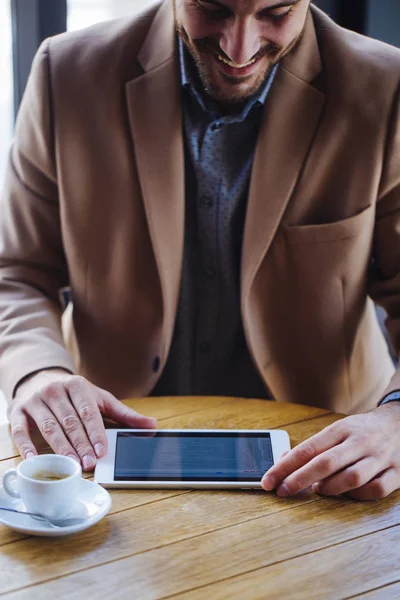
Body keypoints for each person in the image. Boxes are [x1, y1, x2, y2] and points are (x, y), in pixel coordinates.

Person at [1, 0, 400, 500]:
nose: (240, 49)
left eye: (275, 13)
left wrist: (396, 418)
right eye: (212, 8)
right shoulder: (66, 73)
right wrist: (39, 372)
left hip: (324, 459)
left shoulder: (386, 86)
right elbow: (17, 272)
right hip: (106, 456)